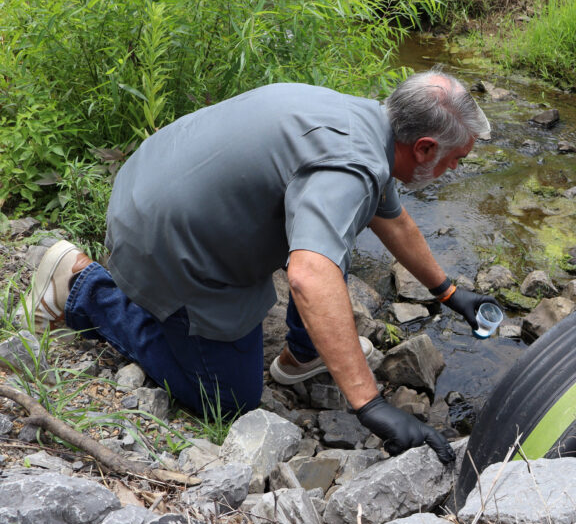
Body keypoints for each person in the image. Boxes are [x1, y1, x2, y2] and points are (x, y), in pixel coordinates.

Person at [27, 67, 500, 464]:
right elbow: (310, 275)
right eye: (456, 159)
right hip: (162, 238)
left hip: (151, 181)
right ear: (424, 147)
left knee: (331, 235)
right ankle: (85, 287)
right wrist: (370, 404)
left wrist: (448, 292)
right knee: (230, 397)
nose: (456, 169)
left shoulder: (366, 121)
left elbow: (391, 219)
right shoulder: (353, 166)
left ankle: (303, 354)